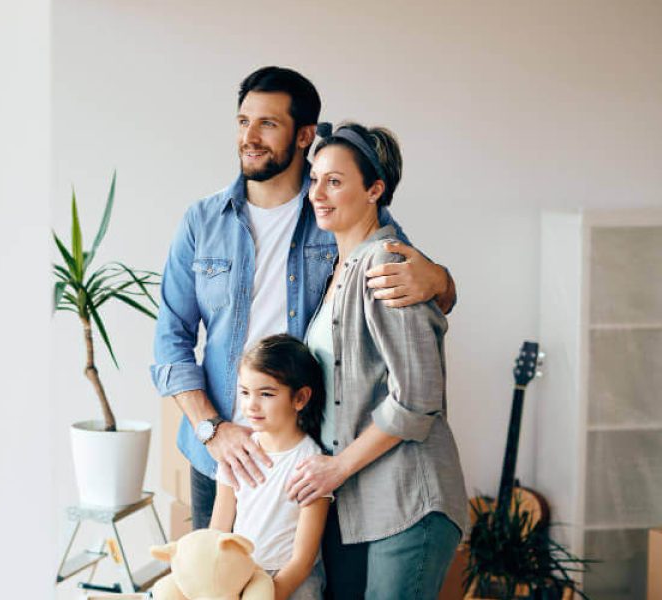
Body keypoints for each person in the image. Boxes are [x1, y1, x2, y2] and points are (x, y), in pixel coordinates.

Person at [150, 66, 459, 530]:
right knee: (215, 582)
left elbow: (426, 287)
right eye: (242, 122)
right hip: (220, 456)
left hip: (308, 458)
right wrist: (213, 430)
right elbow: (170, 342)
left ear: (304, 135)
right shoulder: (202, 221)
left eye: (267, 124)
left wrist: (438, 277)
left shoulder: (337, 211)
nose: (249, 137)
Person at [287, 122, 467, 599]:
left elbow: (417, 397)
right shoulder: (339, 269)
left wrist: (337, 467)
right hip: (358, 506)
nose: (317, 194)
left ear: (375, 190)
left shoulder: (386, 265)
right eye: (315, 179)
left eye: (335, 181)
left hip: (407, 500)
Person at [208, 334, 329, 600]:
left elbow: (303, 558)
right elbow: (217, 531)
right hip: (242, 575)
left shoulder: (311, 463)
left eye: (266, 394)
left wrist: (271, 594)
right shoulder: (235, 455)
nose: (251, 405)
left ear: (300, 398)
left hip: (294, 582)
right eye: (245, 392)